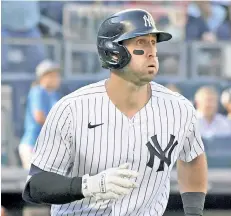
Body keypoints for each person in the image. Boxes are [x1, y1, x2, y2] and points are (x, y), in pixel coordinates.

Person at [22, 9, 208, 216]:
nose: (151, 51)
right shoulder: (71, 109)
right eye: (140, 43)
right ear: (113, 51)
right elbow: (36, 186)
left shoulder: (179, 108)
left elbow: (192, 159)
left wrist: (194, 212)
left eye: (153, 42)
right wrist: (88, 186)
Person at [19, 60, 61, 170]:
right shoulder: (37, 91)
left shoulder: (54, 95)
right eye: (53, 75)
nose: (57, 79)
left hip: (45, 149)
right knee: (34, 183)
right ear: (44, 77)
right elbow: (39, 117)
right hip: (32, 145)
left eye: (57, 75)